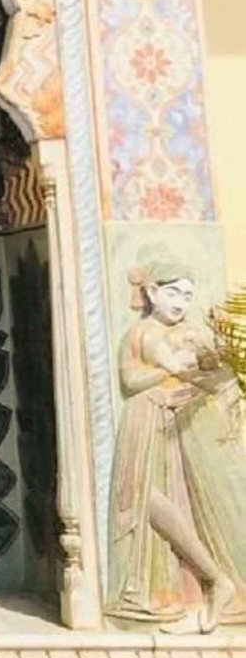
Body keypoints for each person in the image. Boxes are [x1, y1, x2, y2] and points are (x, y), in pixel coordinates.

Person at [106, 256, 246, 633]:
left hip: (185, 424)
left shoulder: (193, 334)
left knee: (191, 499)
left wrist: (196, 380)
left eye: (186, 295)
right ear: (152, 292)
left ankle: (215, 582)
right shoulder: (140, 334)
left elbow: (219, 377)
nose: (180, 302)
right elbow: (130, 381)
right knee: (141, 498)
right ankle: (208, 580)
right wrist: (167, 370)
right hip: (145, 420)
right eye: (173, 293)